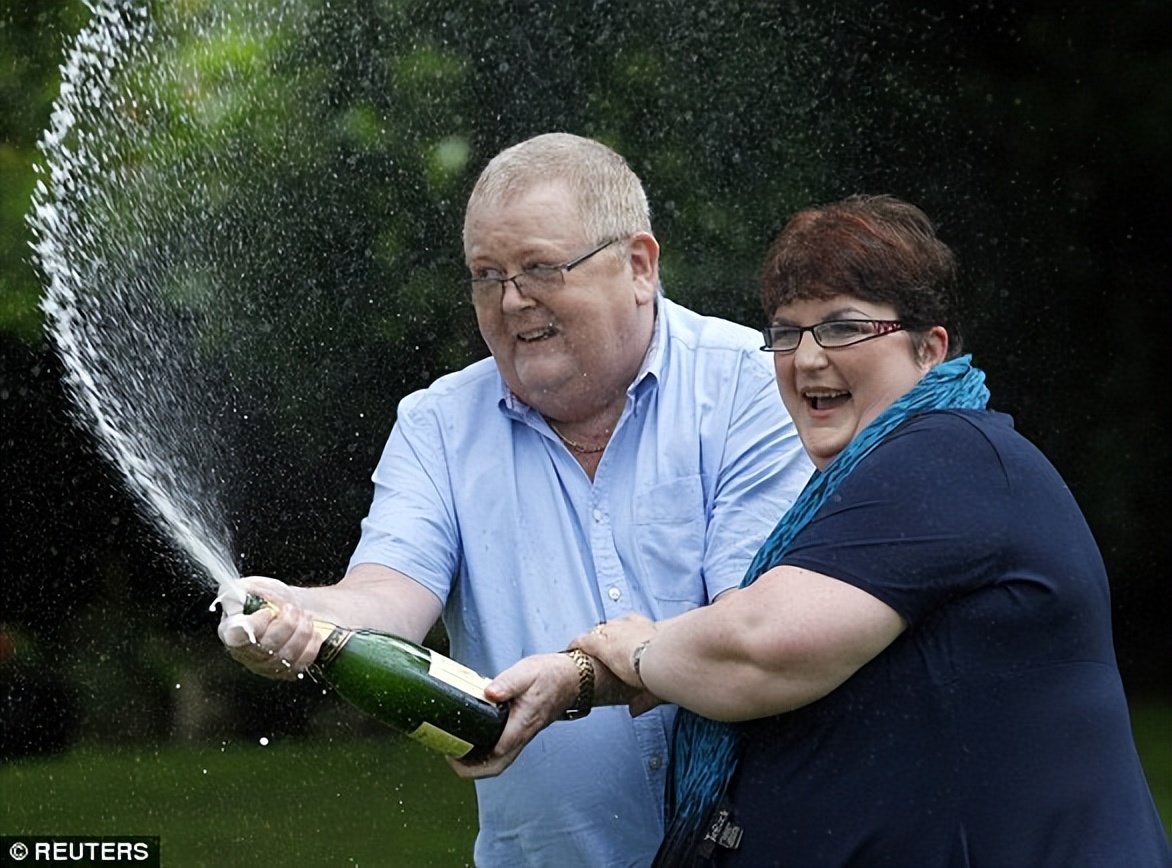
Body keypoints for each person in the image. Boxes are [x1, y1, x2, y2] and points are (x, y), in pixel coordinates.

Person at [490, 194, 1170, 866]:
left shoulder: (948, 454)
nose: (806, 358)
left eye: (843, 328)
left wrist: (636, 650)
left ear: (929, 348)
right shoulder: (876, 483)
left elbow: (759, 650)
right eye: (787, 332)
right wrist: (582, 679)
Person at [218, 132, 813, 868]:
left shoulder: (753, 388)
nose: (510, 300)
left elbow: (750, 631)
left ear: (638, 265)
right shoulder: (436, 425)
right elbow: (386, 594)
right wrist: (303, 620)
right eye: (485, 275)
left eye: (539, 267)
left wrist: (580, 678)